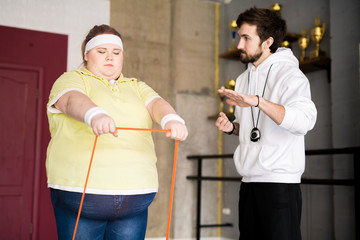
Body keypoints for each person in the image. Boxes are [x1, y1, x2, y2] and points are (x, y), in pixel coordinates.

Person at [46, 24, 188, 240]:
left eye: (116, 52)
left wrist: (171, 118)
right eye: (101, 52)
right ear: (86, 55)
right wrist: (94, 114)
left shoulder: (136, 86)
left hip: (136, 197)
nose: (110, 58)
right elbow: (72, 100)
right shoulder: (71, 79)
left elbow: (157, 103)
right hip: (81, 194)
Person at [215, 7, 317, 240]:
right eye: (239, 37)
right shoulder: (242, 79)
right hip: (248, 183)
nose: (239, 45)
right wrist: (232, 127)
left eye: (246, 38)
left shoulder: (291, 75)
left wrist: (259, 101)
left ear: (267, 41)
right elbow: (252, 129)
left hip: (280, 184)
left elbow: (304, 121)